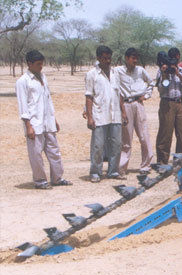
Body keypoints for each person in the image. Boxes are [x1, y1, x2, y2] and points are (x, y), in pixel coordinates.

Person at [15, 50, 72, 189]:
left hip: (48, 122)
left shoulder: (43, 77)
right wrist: (28, 126)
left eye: (42, 64)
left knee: (54, 152)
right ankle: (40, 181)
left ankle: (57, 178)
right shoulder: (23, 81)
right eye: (38, 64)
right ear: (30, 63)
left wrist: (54, 119)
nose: (41, 67)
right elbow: (23, 106)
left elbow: (48, 100)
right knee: (36, 155)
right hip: (35, 124)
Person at [85, 45, 128, 183]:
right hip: (99, 115)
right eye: (104, 58)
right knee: (98, 145)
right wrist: (90, 117)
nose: (107, 61)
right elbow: (89, 96)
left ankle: (113, 171)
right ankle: (95, 172)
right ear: (98, 58)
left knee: (116, 144)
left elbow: (119, 94)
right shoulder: (92, 74)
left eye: (109, 58)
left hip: (115, 115)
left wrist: (123, 112)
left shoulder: (115, 73)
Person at [115, 48, 154, 175]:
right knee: (126, 139)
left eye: (137, 58)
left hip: (138, 104)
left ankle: (146, 165)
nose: (135, 61)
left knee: (144, 136)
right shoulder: (118, 71)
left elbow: (151, 83)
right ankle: (121, 168)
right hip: (125, 105)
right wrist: (122, 111)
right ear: (126, 58)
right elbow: (116, 90)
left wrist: (146, 96)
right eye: (133, 58)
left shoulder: (140, 70)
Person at [155, 47, 182, 164]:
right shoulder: (161, 71)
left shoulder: (181, 70)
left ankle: (181, 160)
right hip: (167, 103)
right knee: (165, 132)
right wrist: (165, 74)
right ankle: (162, 161)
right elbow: (161, 88)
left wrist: (178, 74)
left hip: (179, 103)